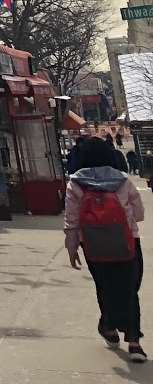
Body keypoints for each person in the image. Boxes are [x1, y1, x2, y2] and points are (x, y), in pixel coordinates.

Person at [63, 135, 146, 363]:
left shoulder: (75, 184)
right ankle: (134, 342)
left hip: (93, 243)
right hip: (127, 241)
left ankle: (108, 326)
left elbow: (71, 221)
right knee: (129, 288)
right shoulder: (123, 181)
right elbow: (139, 214)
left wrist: (72, 249)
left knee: (104, 286)